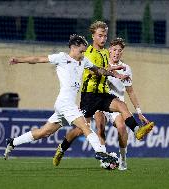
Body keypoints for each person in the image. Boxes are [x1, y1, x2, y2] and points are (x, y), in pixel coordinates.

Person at [4, 34, 128, 166]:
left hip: (64, 105)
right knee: (85, 126)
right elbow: (38, 58)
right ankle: (100, 151)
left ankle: (12, 142)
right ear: (73, 47)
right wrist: (18, 60)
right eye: (81, 51)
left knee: (45, 132)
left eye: (84, 51)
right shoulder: (62, 58)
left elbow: (98, 70)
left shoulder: (84, 60)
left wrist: (114, 73)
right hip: (65, 103)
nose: (82, 54)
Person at [53, 21, 154, 167]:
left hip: (103, 94)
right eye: (100, 35)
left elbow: (106, 68)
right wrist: (116, 74)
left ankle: (137, 130)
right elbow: (100, 70)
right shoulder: (88, 53)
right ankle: (62, 148)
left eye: (105, 35)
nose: (103, 38)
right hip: (89, 96)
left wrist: (116, 71)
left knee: (121, 105)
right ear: (93, 36)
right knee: (80, 130)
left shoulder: (105, 53)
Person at [94, 38, 150, 170]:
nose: (116, 53)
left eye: (119, 51)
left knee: (122, 128)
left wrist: (139, 112)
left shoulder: (126, 69)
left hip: (117, 105)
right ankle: (104, 158)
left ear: (122, 53)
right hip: (100, 102)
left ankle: (123, 159)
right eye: (114, 50)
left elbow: (130, 91)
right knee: (100, 126)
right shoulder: (102, 63)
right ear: (109, 50)